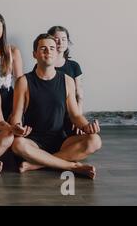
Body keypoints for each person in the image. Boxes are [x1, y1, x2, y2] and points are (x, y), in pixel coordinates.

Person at [10, 34, 102, 179]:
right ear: (35, 54)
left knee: (95, 140)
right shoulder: (24, 81)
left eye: (52, 48)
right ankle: (71, 166)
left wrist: (87, 126)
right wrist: (17, 127)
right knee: (17, 145)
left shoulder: (67, 81)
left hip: (61, 140)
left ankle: (38, 164)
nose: (48, 52)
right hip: (33, 141)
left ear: (57, 52)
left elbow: (75, 115)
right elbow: (16, 114)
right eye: (43, 48)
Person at [48, 26, 84, 135]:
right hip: (50, 115)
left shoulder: (74, 66)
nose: (60, 42)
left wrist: (79, 118)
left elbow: (79, 94)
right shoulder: (43, 65)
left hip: (70, 114)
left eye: (64, 39)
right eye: (56, 39)